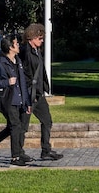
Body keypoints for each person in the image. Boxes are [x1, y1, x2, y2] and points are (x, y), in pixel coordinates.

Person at [0, 33, 33, 166]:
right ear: (10, 47)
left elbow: (22, 84)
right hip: (8, 101)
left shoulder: (18, 61)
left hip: (19, 100)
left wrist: (27, 102)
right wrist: (6, 82)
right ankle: (15, 157)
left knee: (13, 127)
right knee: (15, 126)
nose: (18, 45)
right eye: (16, 43)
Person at [20, 23, 63, 161]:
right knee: (23, 125)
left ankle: (46, 150)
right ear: (31, 37)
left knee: (47, 120)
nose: (42, 40)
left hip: (38, 93)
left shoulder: (36, 50)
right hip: (29, 94)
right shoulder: (25, 51)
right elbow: (24, 74)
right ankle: (18, 153)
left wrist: (43, 88)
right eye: (39, 38)